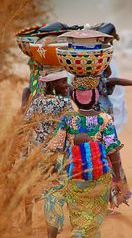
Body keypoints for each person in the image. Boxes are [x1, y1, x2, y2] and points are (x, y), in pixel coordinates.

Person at [46, 88, 126, 237]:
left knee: (75, 217)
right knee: (92, 224)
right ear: (96, 97)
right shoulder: (105, 119)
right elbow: (113, 151)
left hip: (73, 175)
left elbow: (56, 147)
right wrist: (119, 179)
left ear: (73, 97)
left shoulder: (68, 118)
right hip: (99, 176)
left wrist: (53, 171)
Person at [24, 69, 72, 231]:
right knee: (54, 188)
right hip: (56, 152)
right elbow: (71, 127)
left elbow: (26, 122)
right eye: (63, 82)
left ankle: (28, 223)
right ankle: (52, 226)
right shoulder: (65, 103)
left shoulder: (37, 101)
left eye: (66, 81)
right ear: (53, 84)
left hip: (36, 151)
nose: (67, 85)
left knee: (31, 186)